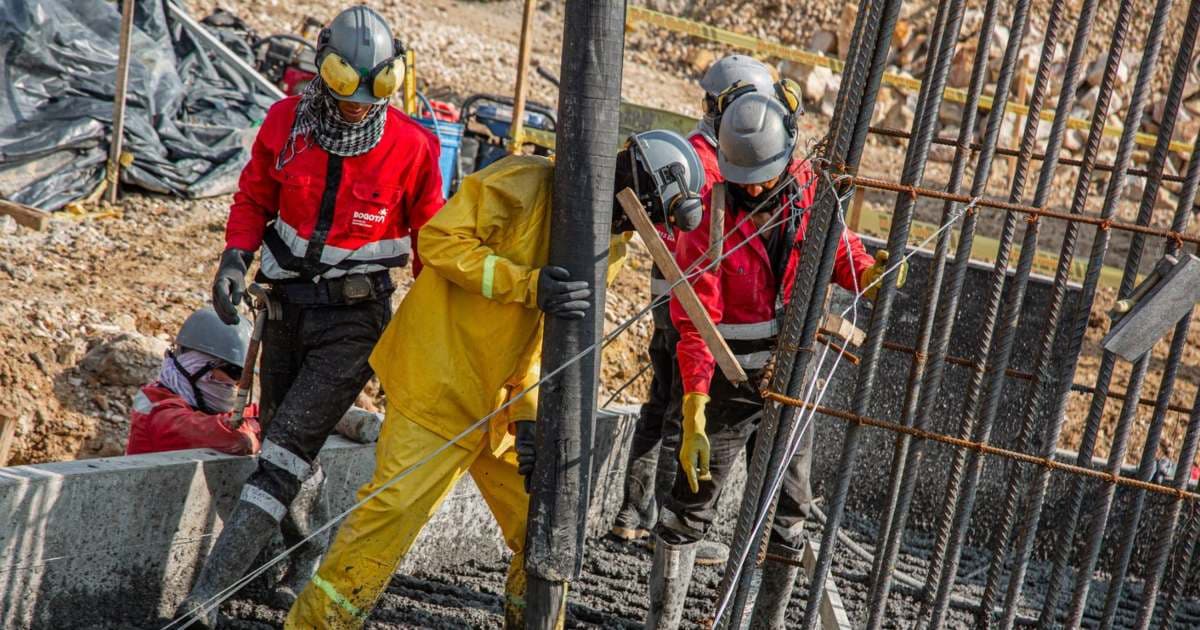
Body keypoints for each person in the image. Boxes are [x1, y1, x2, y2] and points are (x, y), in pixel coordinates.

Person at [285, 129, 705, 629]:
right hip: (438, 382)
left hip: (500, 408)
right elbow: (439, 241)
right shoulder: (525, 181)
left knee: (547, 525)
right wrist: (525, 284)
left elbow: (554, 336)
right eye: (635, 215)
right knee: (391, 512)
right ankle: (315, 624)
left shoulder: (608, 246)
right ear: (631, 182)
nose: (629, 228)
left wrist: (528, 413)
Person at [172, 6, 444, 626]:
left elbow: (435, 244)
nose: (357, 107)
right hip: (286, 307)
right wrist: (234, 260)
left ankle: (204, 600)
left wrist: (431, 334)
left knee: (281, 456)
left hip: (355, 320)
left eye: (375, 93)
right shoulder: (284, 123)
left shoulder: (413, 147)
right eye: (347, 90)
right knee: (286, 447)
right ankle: (309, 556)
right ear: (325, 72)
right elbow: (252, 198)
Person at [646, 91, 904, 628]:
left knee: (790, 514)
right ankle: (662, 621)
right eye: (746, 178)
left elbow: (836, 250)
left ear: (787, 153)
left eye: (764, 175)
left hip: (792, 377)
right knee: (688, 505)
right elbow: (696, 316)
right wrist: (694, 401)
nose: (755, 187)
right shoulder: (709, 213)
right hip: (728, 382)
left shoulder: (811, 191)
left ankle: (767, 621)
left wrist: (868, 273)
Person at [611, 56, 775, 572]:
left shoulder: (685, 149)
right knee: (682, 412)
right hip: (690, 313)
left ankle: (632, 514)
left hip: (668, 303)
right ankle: (664, 521)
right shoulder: (717, 165)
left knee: (660, 406)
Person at [127, 307, 260, 456]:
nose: (239, 384)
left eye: (246, 376)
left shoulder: (202, 401)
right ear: (196, 366)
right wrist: (263, 425)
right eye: (235, 372)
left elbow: (260, 414)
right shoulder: (160, 414)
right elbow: (240, 439)